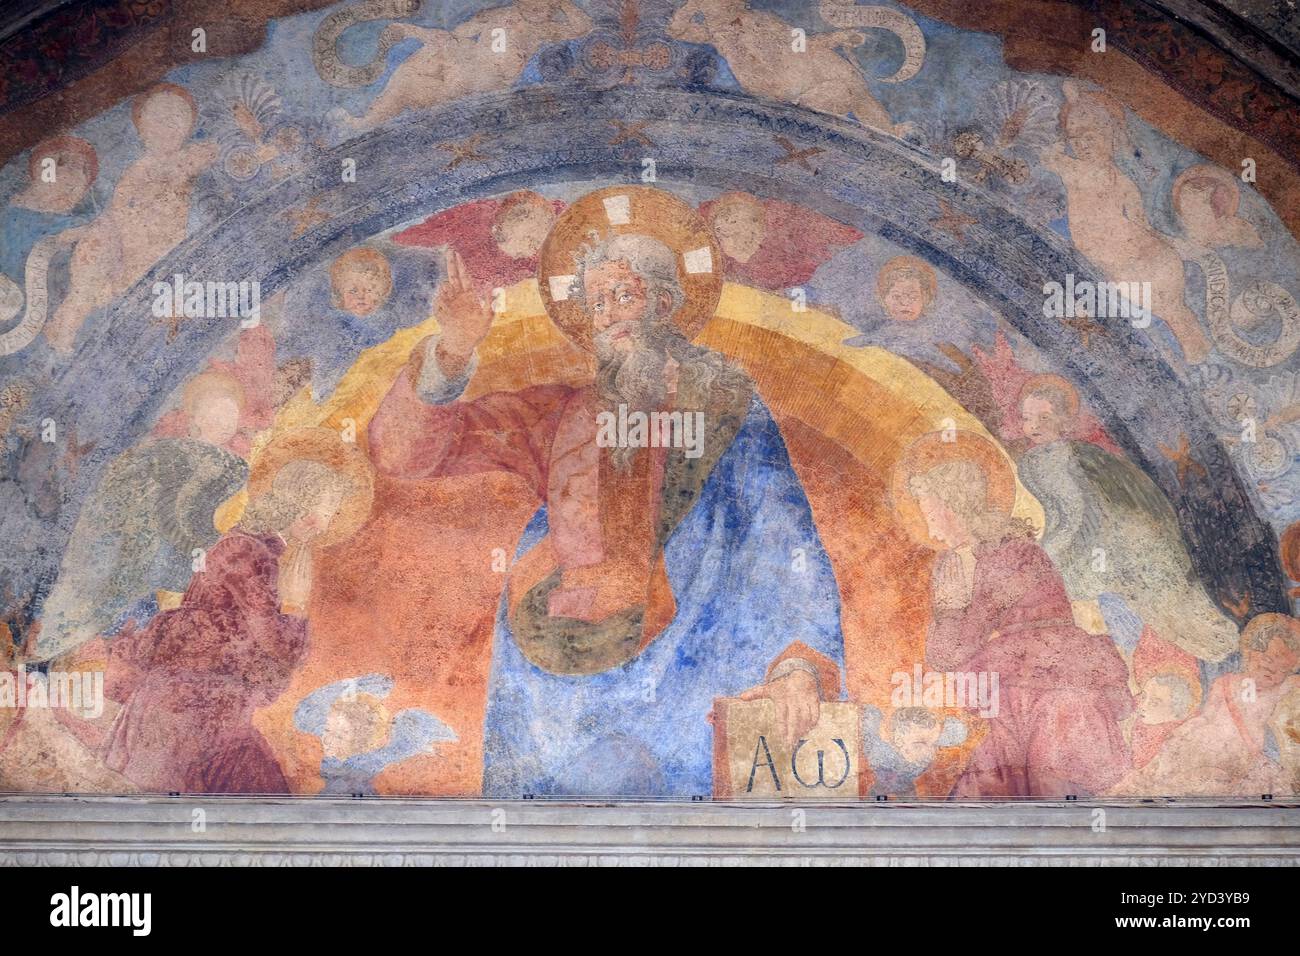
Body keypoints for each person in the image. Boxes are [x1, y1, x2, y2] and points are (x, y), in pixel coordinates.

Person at [368, 187, 845, 797]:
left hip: (696, 656)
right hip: (549, 680)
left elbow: (781, 529)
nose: (611, 314)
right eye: (597, 304)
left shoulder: (724, 405)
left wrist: (799, 661)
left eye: (625, 294)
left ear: (666, 304)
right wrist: (454, 348)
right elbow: (406, 455)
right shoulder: (562, 415)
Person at [83, 428, 372, 793]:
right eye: (330, 511)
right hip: (189, 714)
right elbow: (273, 646)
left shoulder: (254, 550)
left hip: (207, 711)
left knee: (259, 802)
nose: (329, 523)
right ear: (310, 516)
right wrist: (296, 607)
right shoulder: (249, 554)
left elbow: (265, 669)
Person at [895, 431, 1132, 797]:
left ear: (954, 505)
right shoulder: (951, 565)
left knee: (1054, 788)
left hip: (1058, 687)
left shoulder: (1019, 555)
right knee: (981, 798)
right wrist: (949, 609)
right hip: (1010, 701)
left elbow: (970, 637)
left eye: (931, 515)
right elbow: (941, 657)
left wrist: (956, 608)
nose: (931, 529)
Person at [1015, 374, 1238, 663]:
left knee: (1143, 601)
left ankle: (1208, 647)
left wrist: (1044, 555)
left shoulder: (1051, 458)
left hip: (1112, 540)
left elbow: (1073, 513)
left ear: (1065, 421)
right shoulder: (1053, 457)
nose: (1033, 427)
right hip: (1107, 539)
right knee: (1160, 604)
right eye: (1027, 418)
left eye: (1044, 418)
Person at [1110, 614, 1300, 796]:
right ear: (1250, 654)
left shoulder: (1279, 690)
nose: (1272, 671)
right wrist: (1182, 733)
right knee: (1163, 773)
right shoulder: (1225, 682)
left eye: (1282, 669)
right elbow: (1207, 716)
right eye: (1266, 660)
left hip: (1242, 754)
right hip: (1202, 743)